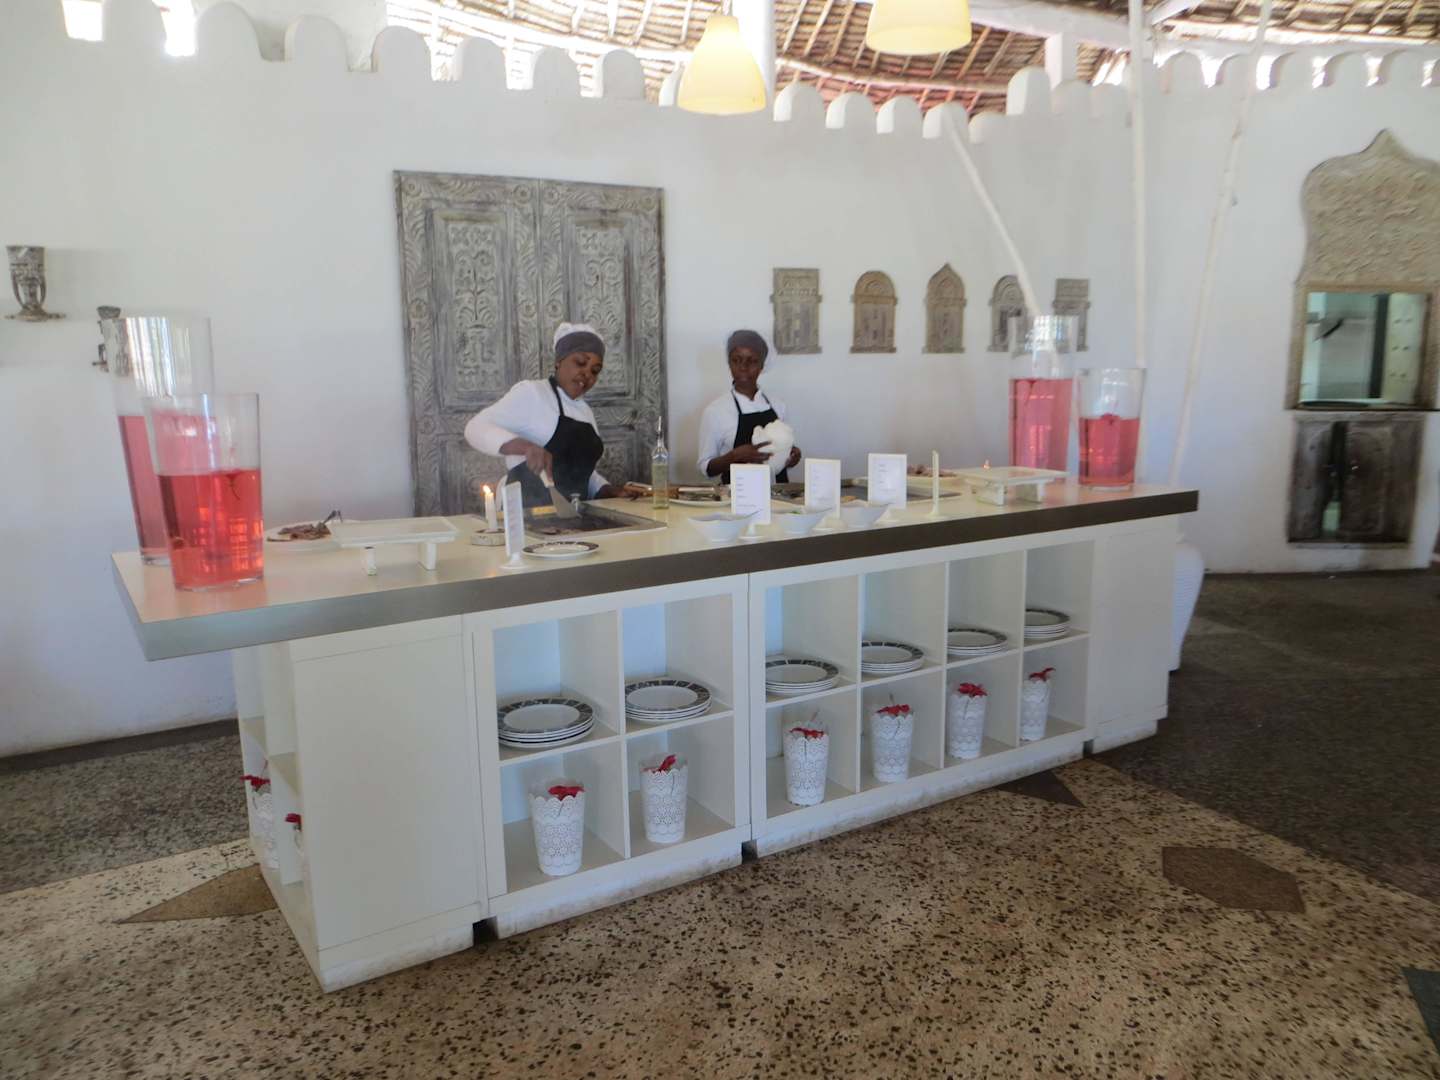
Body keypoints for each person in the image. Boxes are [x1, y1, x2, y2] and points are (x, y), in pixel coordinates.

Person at [464, 323, 627, 508]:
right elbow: (475, 428)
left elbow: (581, 473)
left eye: (595, 370)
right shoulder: (532, 394)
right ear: (559, 361)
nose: (587, 374)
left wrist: (606, 489)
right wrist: (527, 447)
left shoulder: (585, 411)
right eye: (580, 363)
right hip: (528, 514)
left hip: (573, 515)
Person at [696, 329, 802, 484]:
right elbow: (706, 468)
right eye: (736, 360)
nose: (743, 367)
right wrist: (734, 456)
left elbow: (780, 458)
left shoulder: (778, 406)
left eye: (752, 361)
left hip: (778, 495)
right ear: (729, 363)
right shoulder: (716, 411)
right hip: (736, 496)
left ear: (762, 365)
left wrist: (791, 457)